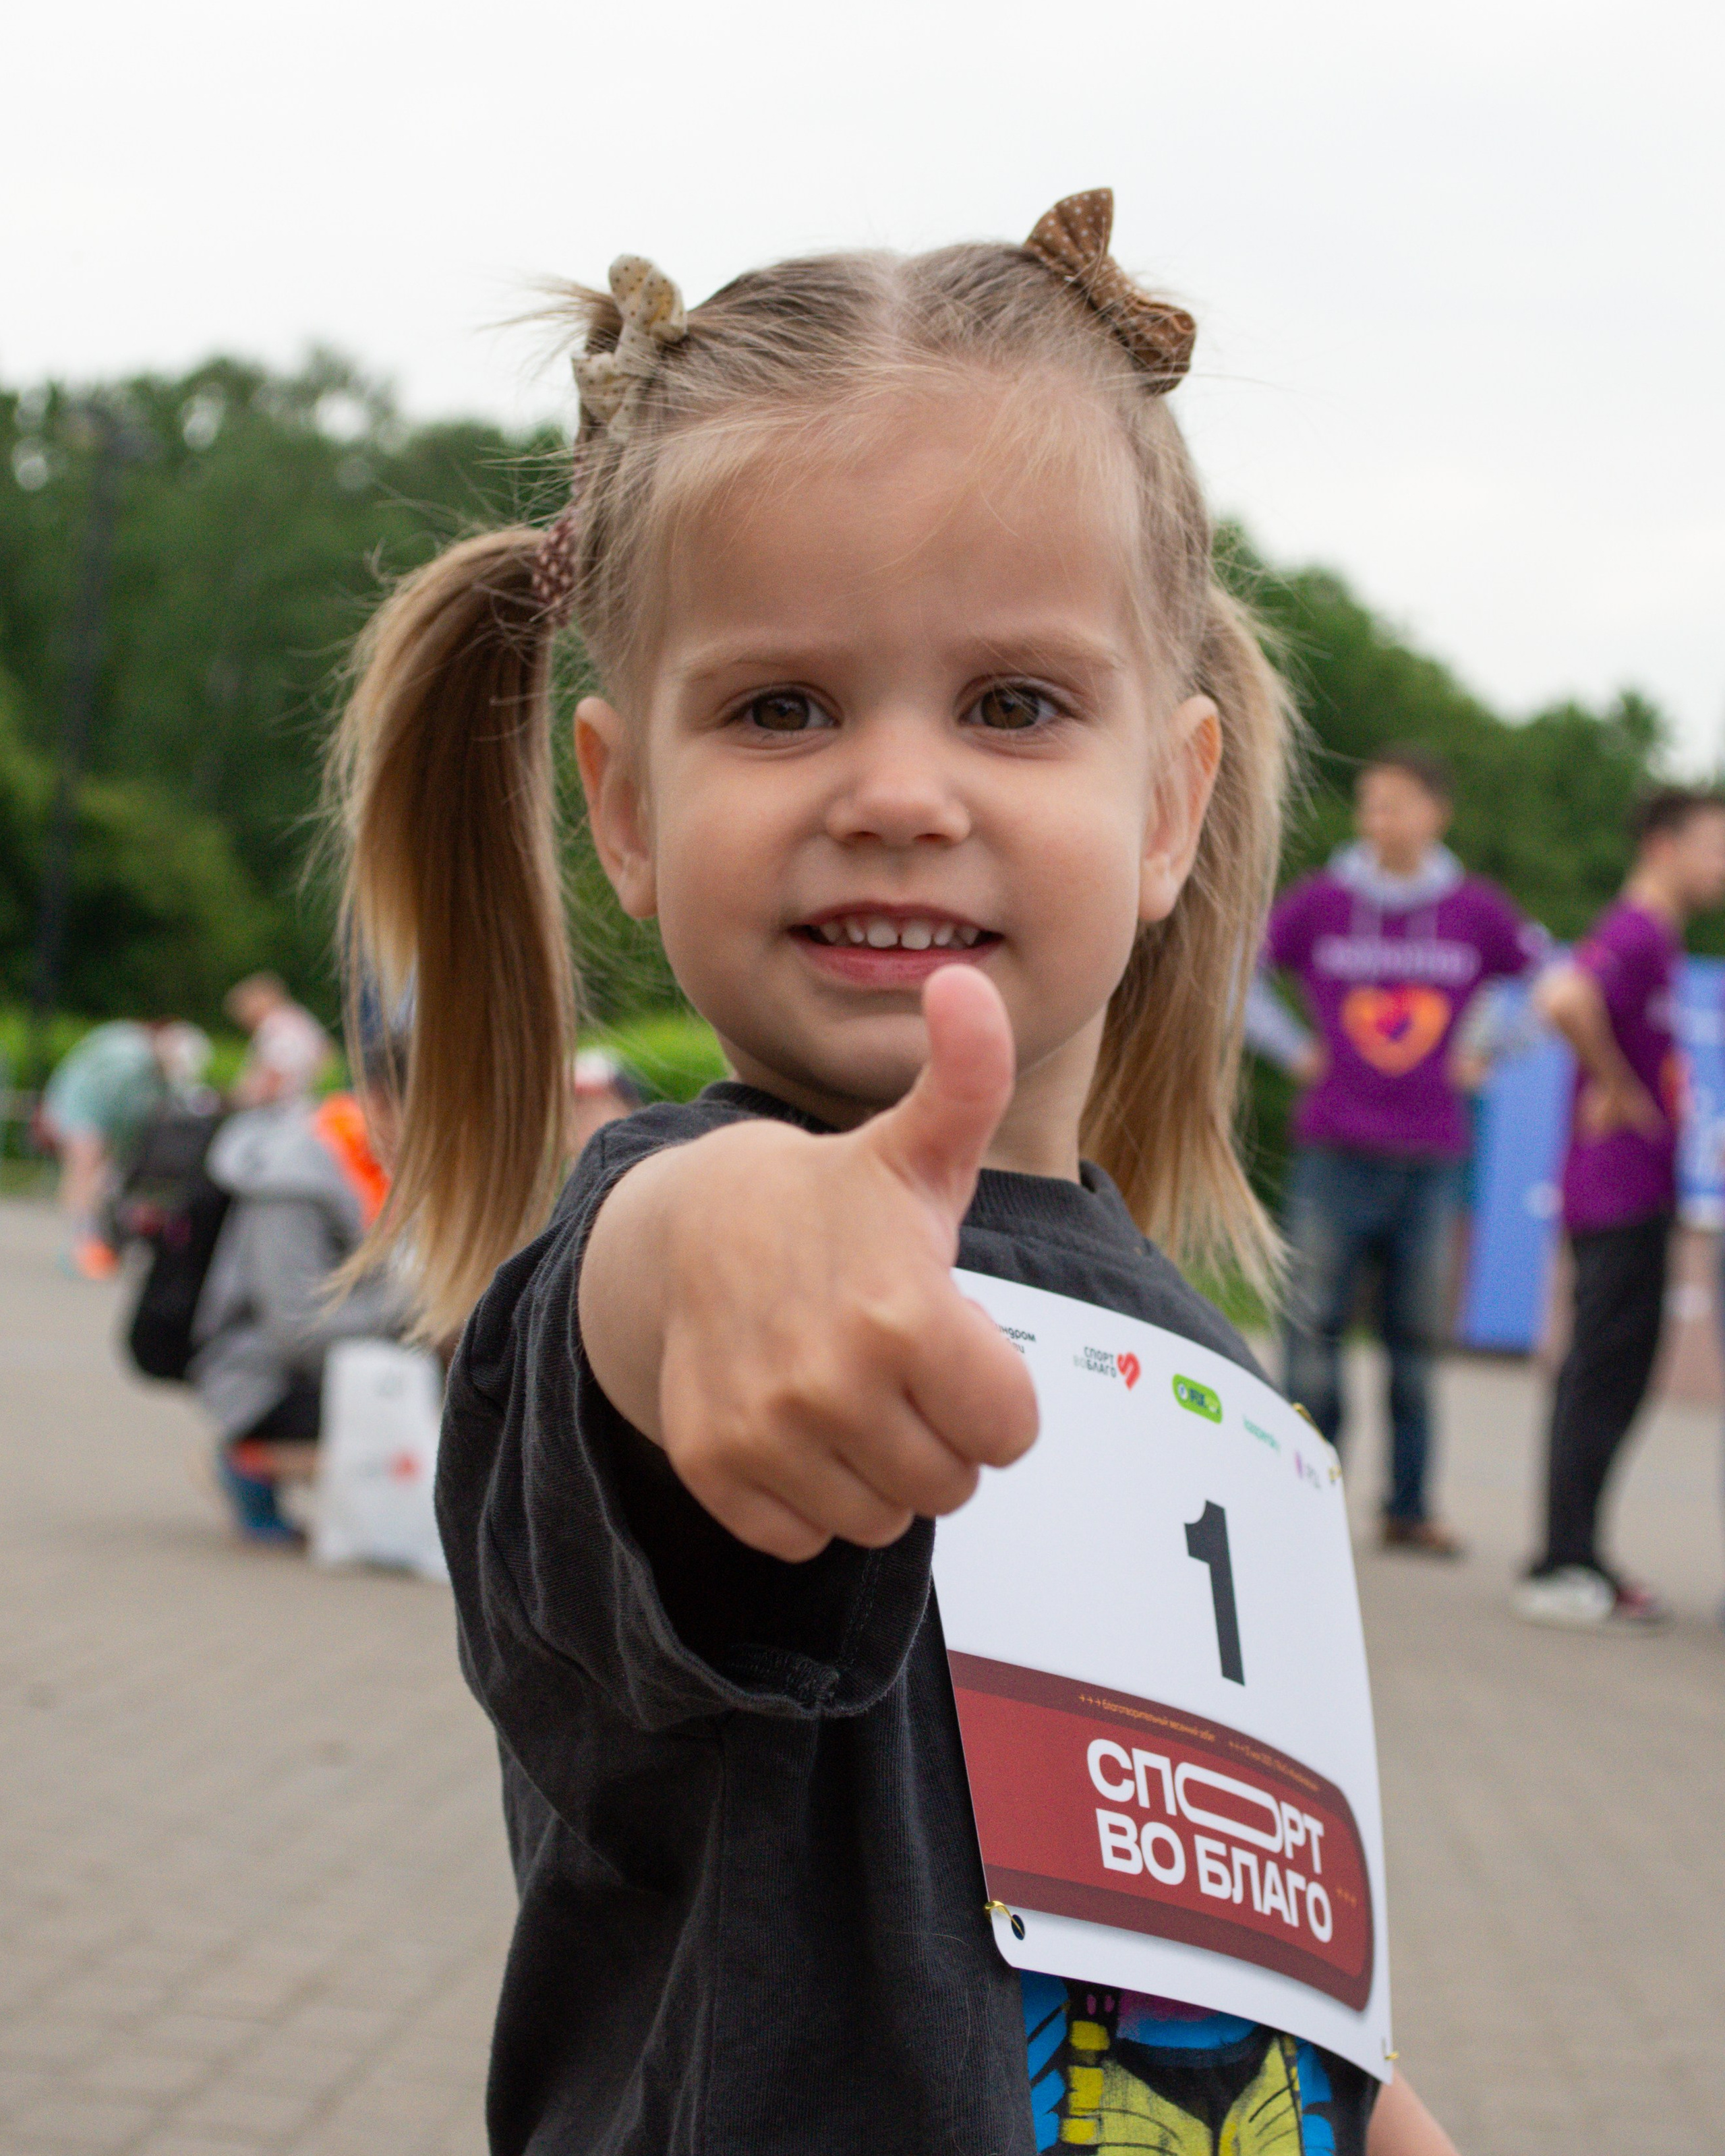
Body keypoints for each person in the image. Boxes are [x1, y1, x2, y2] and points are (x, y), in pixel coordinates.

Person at [331, 196, 1456, 2155]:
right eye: (781, 706)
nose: (899, 790)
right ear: (623, 804)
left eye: (1014, 703)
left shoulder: (1218, 1380)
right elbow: (673, 1279)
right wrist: (724, 1248)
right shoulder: (664, 1248)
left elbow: (1236, 1962)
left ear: (1172, 800)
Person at [1246, 748, 1547, 1555]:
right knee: (1311, 1332)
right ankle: (1298, 1505)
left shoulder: (1474, 910)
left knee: (1415, 1345)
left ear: (1434, 813)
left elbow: (1551, 981)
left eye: (1395, 805)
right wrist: (1287, 1048)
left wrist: (1494, 1050)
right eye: (1369, 804)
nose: (1378, 820)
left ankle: (1408, 1508)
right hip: (1333, 1147)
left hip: (1430, 1153)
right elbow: (1239, 968)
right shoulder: (1324, 902)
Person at [1515, 787, 1725, 1629]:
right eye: (1713, 845)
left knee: (1608, 1376)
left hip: (1632, 1190)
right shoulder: (1635, 929)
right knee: (1600, 1376)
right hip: (1616, 1191)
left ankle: (1579, 1555)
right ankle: (1562, 1562)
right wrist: (1616, 1086)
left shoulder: (1658, 940)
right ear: (1662, 846)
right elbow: (1560, 998)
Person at [189, 1054, 404, 1545]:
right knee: (445, 1406)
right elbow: (294, 1329)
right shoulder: (293, 1180)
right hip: (260, 1376)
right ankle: (252, 1456)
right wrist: (415, 1310)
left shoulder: (366, 1164)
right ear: (381, 1100)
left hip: (315, 1360)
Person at [38, 1018, 210, 1277]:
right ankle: (80, 1243)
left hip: (108, 1124)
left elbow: (148, 1111)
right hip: (84, 1116)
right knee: (84, 1176)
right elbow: (101, 1104)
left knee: (106, 1181)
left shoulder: (154, 1069)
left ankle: (98, 1240)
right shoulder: (127, 1058)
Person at [224, 971, 332, 1108]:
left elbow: (275, 1075)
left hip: (276, 1110)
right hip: (303, 1103)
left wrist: (239, 1101)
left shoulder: (275, 1026)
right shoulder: (299, 1018)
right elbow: (327, 1055)